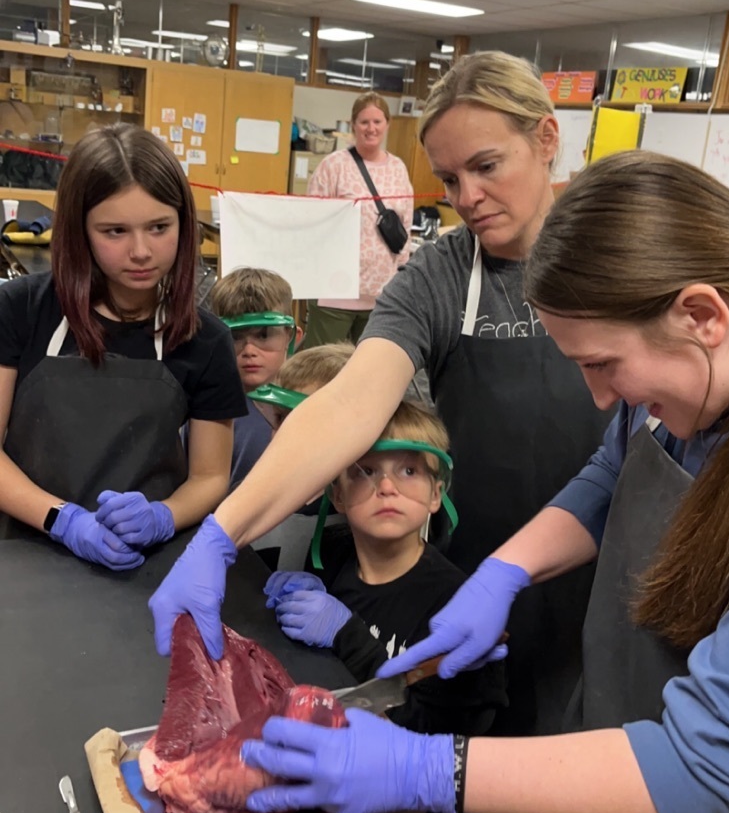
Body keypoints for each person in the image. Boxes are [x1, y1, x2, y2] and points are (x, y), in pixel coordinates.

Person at [239, 150, 729, 813]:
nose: (600, 399)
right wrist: (501, 571)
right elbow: (610, 470)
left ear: (701, 314)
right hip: (607, 780)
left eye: (605, 365)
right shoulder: (688, 388)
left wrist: (425, 769)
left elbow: (710, 766)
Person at [150, 52, 608, 755]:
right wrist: (223, 535)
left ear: (546, 140)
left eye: (487, 166)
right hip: (466, 585)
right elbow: (350, 404)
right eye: (450, 179)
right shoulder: (440, 274)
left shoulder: (614, 250)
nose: (468, 195)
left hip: (598, 570)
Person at [0, 123, 246, 569]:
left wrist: (163, 517)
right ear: (79, 230)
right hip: (23, 553)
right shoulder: (20, 310)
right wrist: (63, 520)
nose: (141, 251)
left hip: (143, 564)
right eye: (114, 231)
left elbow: (210, 477)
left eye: (158, 227)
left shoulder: (206, 341)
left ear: (184, 224)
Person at [266, 400, 502, 736]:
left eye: (409, 471)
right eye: (366, 471)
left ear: (436, 495)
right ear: (338, 495)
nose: (387, 488)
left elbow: (441, 733)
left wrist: (347, 635)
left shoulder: (457, 605)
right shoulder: (332, 561)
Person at [302, 92, 413, 348]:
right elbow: (312, 220)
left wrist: (400, 279)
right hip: (336, 290)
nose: (371, 128)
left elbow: (405, 225)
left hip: (381, 292)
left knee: (365, 368)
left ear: (387, 124)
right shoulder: (333, 166)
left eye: (377, 122)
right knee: (321, 367)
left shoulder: (398, 168)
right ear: (353, 125)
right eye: (364, 122)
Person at [250, 340, 355, 572]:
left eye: (303, 421)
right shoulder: (248, 498)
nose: (283, 435)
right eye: (279, 418)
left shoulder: (360, 520)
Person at [206, 267, 301, 492]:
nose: (249, 350)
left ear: (292, 338)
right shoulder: (208, 414)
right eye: (235, 337)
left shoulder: (314, 405)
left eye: (263, 335)